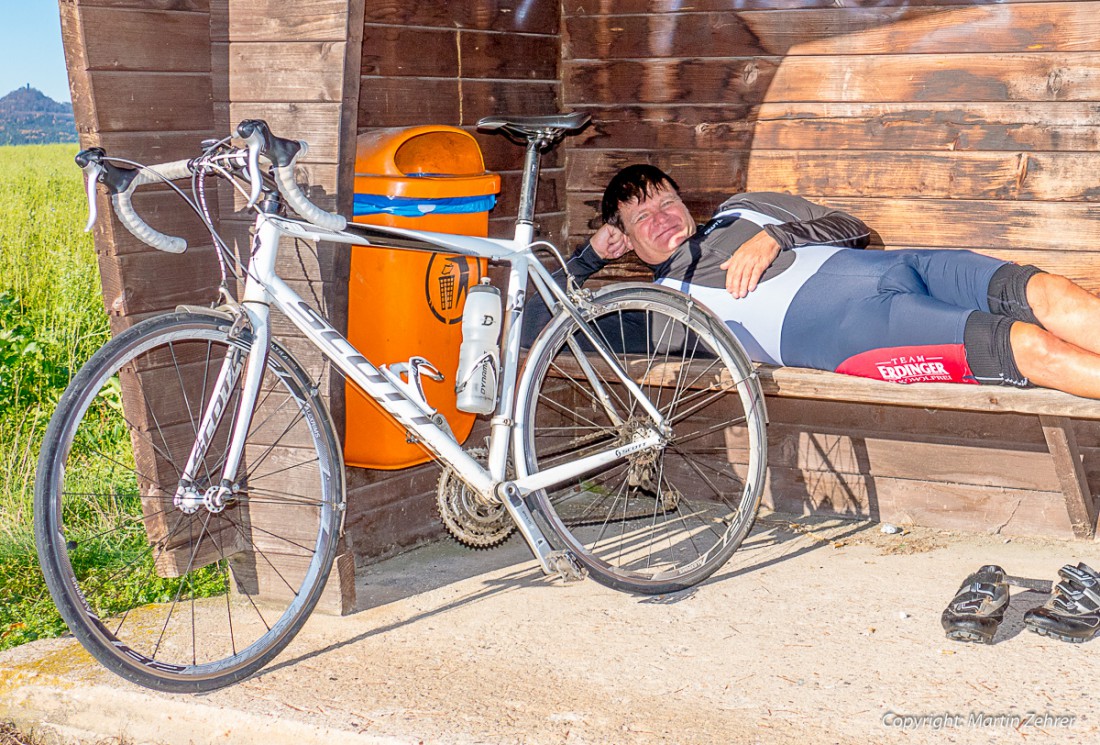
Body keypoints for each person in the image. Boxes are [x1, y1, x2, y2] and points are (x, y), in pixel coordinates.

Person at [524, 164, 1100, 398]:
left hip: (904, 266)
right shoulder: (662, 306)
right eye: (641, 218)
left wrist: (780, 236)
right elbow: (533, 324)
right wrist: (589, 261)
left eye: (666, 201)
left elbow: (855, 227)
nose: (663, 218)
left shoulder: (746, 208)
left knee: (1050, 294)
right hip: (872, 330)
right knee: (1027, 346)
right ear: (623, 236)